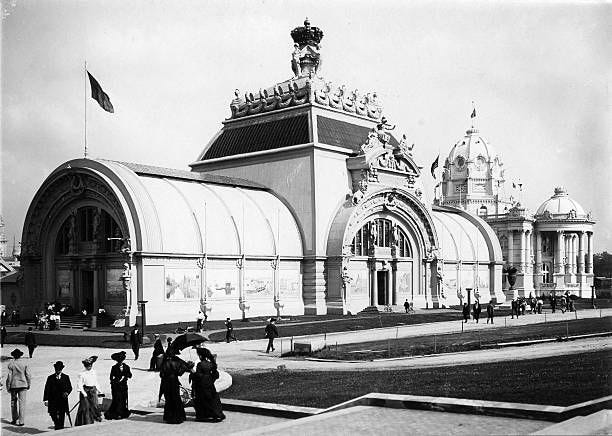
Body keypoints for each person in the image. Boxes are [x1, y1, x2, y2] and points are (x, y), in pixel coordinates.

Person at [189, 346, 225, 422]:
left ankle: (202, 415)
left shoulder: (200, 364)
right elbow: (216, 375)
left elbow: (198, 376)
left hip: (202, 385)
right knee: (212, 399)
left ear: (201, 356)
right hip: (210, 384)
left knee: (201, 400)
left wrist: (192, 371)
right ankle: (216, 414)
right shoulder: (211, 364)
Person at [159, 348, 193, 424]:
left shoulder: (165, 362)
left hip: (166, 382)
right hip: (174, 381)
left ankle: (170, 417)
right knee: (176, 398)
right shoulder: (177, 362)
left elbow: (161, 374)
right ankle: (179, 416)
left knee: (169, 399)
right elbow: (181, 372)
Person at [43, 361, 72, 430]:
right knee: (53, 414)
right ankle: (57, 424)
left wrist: (67, 392)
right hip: (52, 399)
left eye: (59, 369)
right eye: (56, 369)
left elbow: (70, 387)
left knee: (62, 414)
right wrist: (46, 399)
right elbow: (46, 389)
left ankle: (60, 428)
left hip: (63, 399)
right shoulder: (50, 378)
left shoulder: (66, 377)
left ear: (61, 369)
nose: (58, 370)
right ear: (55, 369)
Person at [6, 348, 31, 426]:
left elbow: (9, 377)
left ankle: (14, 419)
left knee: (13, 403)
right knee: (22, 403)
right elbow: (28, 375)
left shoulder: (11, 364)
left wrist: (8, 386)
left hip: (14, 385)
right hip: (23, 385)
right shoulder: (25, 364)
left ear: (13, 356)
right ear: (20, 355)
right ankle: (21, 421)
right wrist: (28, 384)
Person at [75, 356, 102, 426]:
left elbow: (95, 382)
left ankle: (96, 417)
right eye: (87, 366)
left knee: (95, 405)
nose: (89, 367)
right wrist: (84, 393)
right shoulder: (82, 373)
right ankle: (87, 422)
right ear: (85, 366)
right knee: (86, 407)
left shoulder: (94, 372)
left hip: (92, 390)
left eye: (90, 366)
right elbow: (79, 384)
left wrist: (99, 390)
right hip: (85, 391)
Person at [105, 351, 132, 420]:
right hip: (116, 387)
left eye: (121, 361)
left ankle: (123, 413)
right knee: (117, 399)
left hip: (124, 387)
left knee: (123, 399)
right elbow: (111, 377)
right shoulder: (114, 367)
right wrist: (116, 380)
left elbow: (130, 375)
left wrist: (125, 376)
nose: (120, 362)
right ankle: (116, 413)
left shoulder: (126, 367)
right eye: (118, 361)